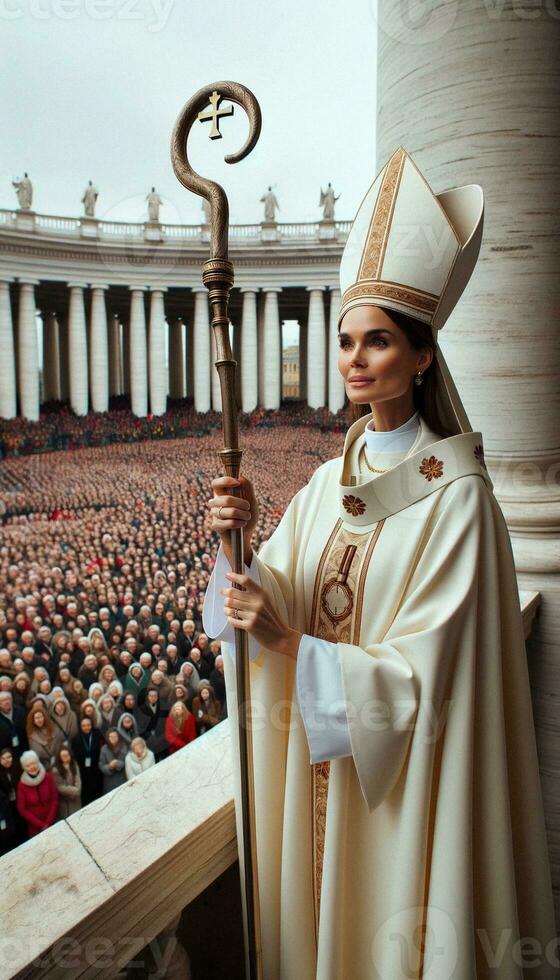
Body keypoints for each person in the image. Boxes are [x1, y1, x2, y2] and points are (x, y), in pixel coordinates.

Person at [202, 146, 556, 977]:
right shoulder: (330, 482)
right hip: (328, 778)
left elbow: (423, 685)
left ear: (424, 357)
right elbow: (261, 595)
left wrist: (292, 647)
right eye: (346, 341)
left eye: (380, 342)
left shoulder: (459, 499)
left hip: (403, 802)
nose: (356, 360)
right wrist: (236, 542)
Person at [16, 750, 58, 838]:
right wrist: (41, 825)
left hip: (52, 821)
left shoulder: (48, 777)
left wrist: (49, 822)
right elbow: (22, 809)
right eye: (28, 765)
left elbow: (54, 799)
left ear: (38, 762)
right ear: (23, 768)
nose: (32, 767)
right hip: (35, 828)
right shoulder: (21, 785)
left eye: (34, 763)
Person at [71, 716, 102, 806]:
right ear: (80, 727)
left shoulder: (97, 735)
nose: (86, 727)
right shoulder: (75, 739)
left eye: (88, 725)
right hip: (83, 770)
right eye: (84, 726)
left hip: (96, 768)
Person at [52, 745, 82, 818]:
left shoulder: (74, 764)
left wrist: (77, 790)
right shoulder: (55, 770)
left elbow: (78, 778)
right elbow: (59, 787)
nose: (66, 757)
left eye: (67, 755)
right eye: (63, 756)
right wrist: (73, 791)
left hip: (76, 798)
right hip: (65, 801)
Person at [98, 728, 127, 794]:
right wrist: (109, 766)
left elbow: (127, 762)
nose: (113, 738)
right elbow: (101, 765)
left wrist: (117, 763)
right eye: (111, 737)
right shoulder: (104, 749)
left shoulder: (124, 747)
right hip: (109, 780)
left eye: (115, 736)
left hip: (121, 778)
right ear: (108, 738)